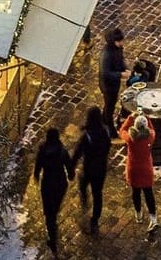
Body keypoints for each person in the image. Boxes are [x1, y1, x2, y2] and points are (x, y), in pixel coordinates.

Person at [33, 125, 74, 257]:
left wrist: (36, 176)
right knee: (54, 209)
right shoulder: (62, 151)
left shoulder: (42, 151)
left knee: (49, 213)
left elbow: (38, 167)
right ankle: (53, 224)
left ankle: (52, 237)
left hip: (47, 185)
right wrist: (71, 175)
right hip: (60, 184)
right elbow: (69, 168)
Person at [71, 106, 112, 237]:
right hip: (101, 169)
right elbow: (108, 147)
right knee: (98, 194)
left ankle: (85, 204)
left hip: (89, 168)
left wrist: (71, 168)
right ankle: (95, 219)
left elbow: (77, 154)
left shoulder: (86, 136)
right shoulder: (105, 131)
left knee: (83, 185)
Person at [119, 111, 158, 232]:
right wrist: (146, 117)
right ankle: (153, 218)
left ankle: (138, 215)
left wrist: (131, 118)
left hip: (134, 169)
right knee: (148, 193)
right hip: (146, 169)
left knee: (136, 192)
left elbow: (122, 130)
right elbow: (152, 129)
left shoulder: (130, 138)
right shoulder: (150, 136)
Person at [99, 28, 127, 126]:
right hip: (107, 86)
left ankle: (103, 120)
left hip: (115, 83)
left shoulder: (118, 48)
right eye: (119, 41)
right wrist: (120, 74)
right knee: (109, 106)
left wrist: (124, 69)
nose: (122, 43)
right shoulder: (106, 55)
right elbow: (105, 73)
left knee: (111, 103)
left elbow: (120, 59)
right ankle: (109, 126)